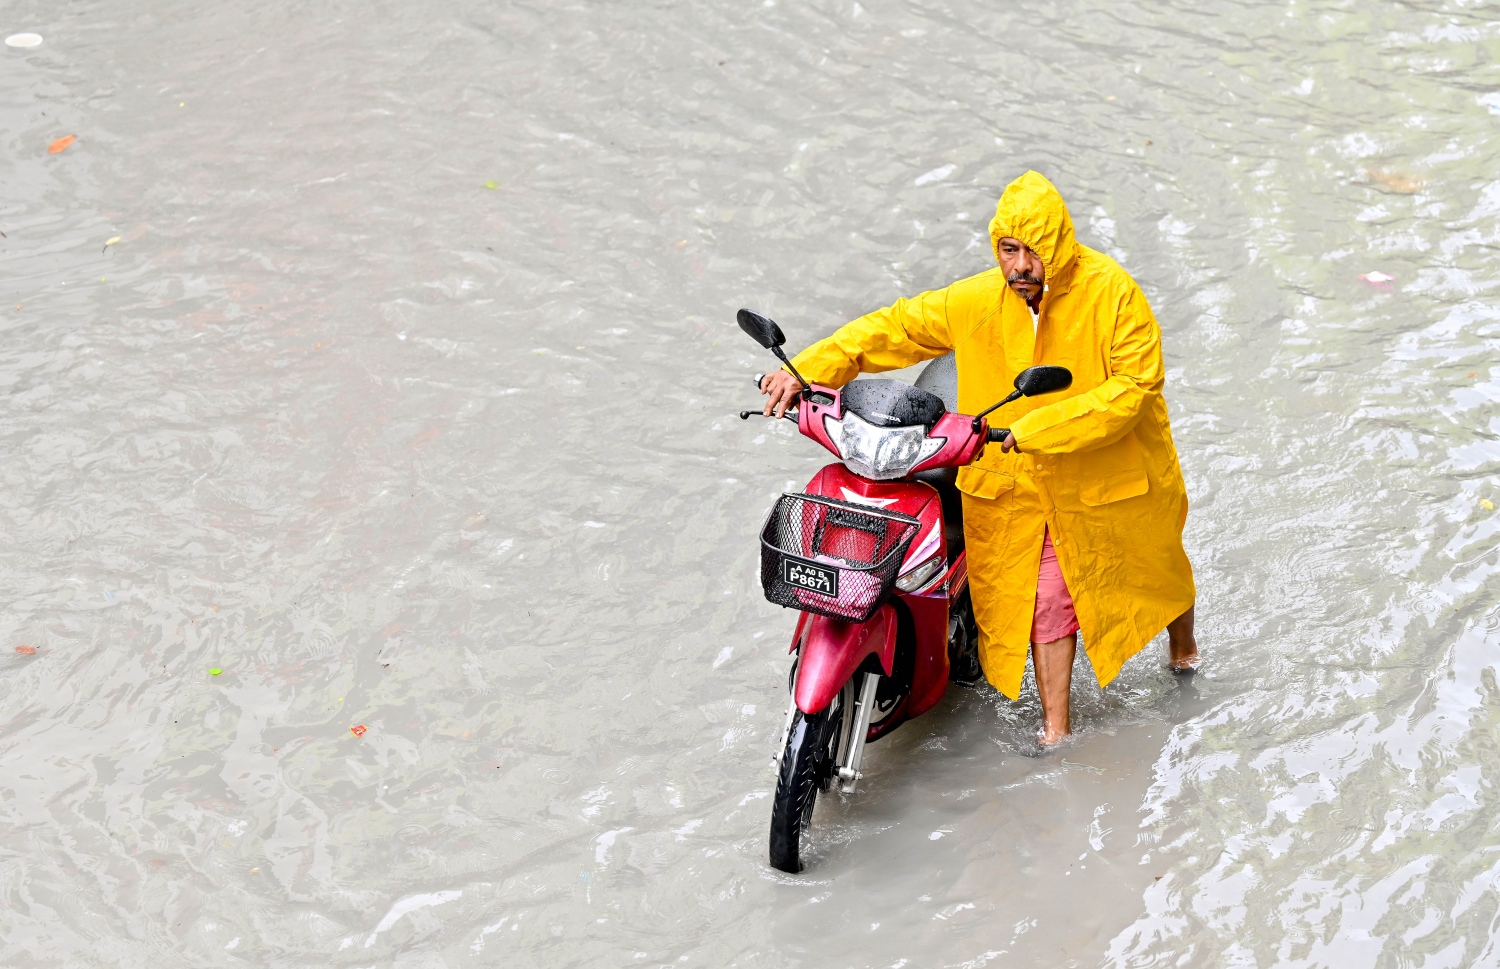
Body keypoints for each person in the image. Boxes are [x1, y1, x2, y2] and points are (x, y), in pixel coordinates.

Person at [759, 170, 1198, 746]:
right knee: (1046, 600)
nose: (1020, 266)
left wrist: (1033, 428)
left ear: (1060, 248)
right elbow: (897, 327)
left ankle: (1184, 652)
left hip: (1104, 470)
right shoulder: (978, 300)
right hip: (1012, 476)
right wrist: (811, 369)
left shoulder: (1113, 295)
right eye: (1008, 251)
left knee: (1157, 565)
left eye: (1032, 252)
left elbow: (1137, 387)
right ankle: (1056, 734)